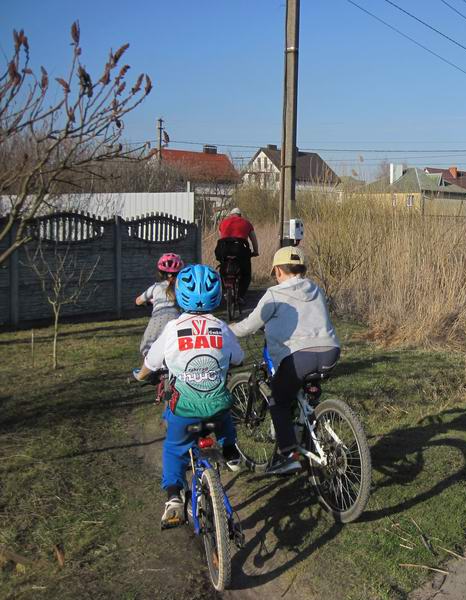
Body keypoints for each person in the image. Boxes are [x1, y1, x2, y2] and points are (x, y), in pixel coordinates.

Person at [133, 264, 245, 527]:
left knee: (174, 447)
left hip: (184, 410)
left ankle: (173, 498)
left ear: (179, 295)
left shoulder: (172, 328)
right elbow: (239, 358)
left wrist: (140, 375)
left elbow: (151, 361)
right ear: (216, 296)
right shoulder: (221, 327)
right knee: (223, 409)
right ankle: (230, 450)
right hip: (216, 411)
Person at [230, 246, 339, 475]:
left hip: (300, 357)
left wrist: (227, 329)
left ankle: (289, 454)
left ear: (278, 270)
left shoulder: (274, 294)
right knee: (302, 393)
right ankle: (306, 426)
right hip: (330, 351)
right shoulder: (316, 289)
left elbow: (249, 325)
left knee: (277, 401)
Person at [135, 253, 184, 356]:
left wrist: (146, 302)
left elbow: (138, 301)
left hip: (158, 319)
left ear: (160, 273)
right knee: (177, 348)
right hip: (177, 320)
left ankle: (147, 370)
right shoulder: (182, 288)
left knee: (147, 350)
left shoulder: (155, 287)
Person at [214, 207, 259, 299]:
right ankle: (240, 296)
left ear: (230, 215)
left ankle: (225, 291)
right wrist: (255, 251)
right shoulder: (246, 223)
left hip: (224, 250)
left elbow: (221, 237)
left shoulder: (223, 223)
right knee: (246, 273)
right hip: (240, 250)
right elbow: (253, 239)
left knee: (223, 268)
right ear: (240, 216)